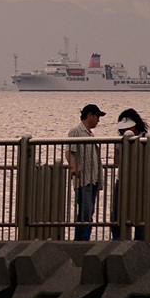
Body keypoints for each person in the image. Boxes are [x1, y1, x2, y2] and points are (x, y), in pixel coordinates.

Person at [66, 103, 105, 241]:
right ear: (90, 115)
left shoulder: (90, 134)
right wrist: (74, 168)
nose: (98, 121)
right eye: (97, 117)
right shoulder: (75, 131)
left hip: (92, 178)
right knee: (85, 210)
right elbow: (69, 152)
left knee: (88, 210)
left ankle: (83, 238)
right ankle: (81, 240)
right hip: (83, 178)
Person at [111, 108, 150, 240]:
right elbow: (116, 162)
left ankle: (140, 241)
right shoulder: (120, 140)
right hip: (122, 179)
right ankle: (117, 239)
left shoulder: (146, 138)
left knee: (141, 213)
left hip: (141, 180)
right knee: (117, 213)